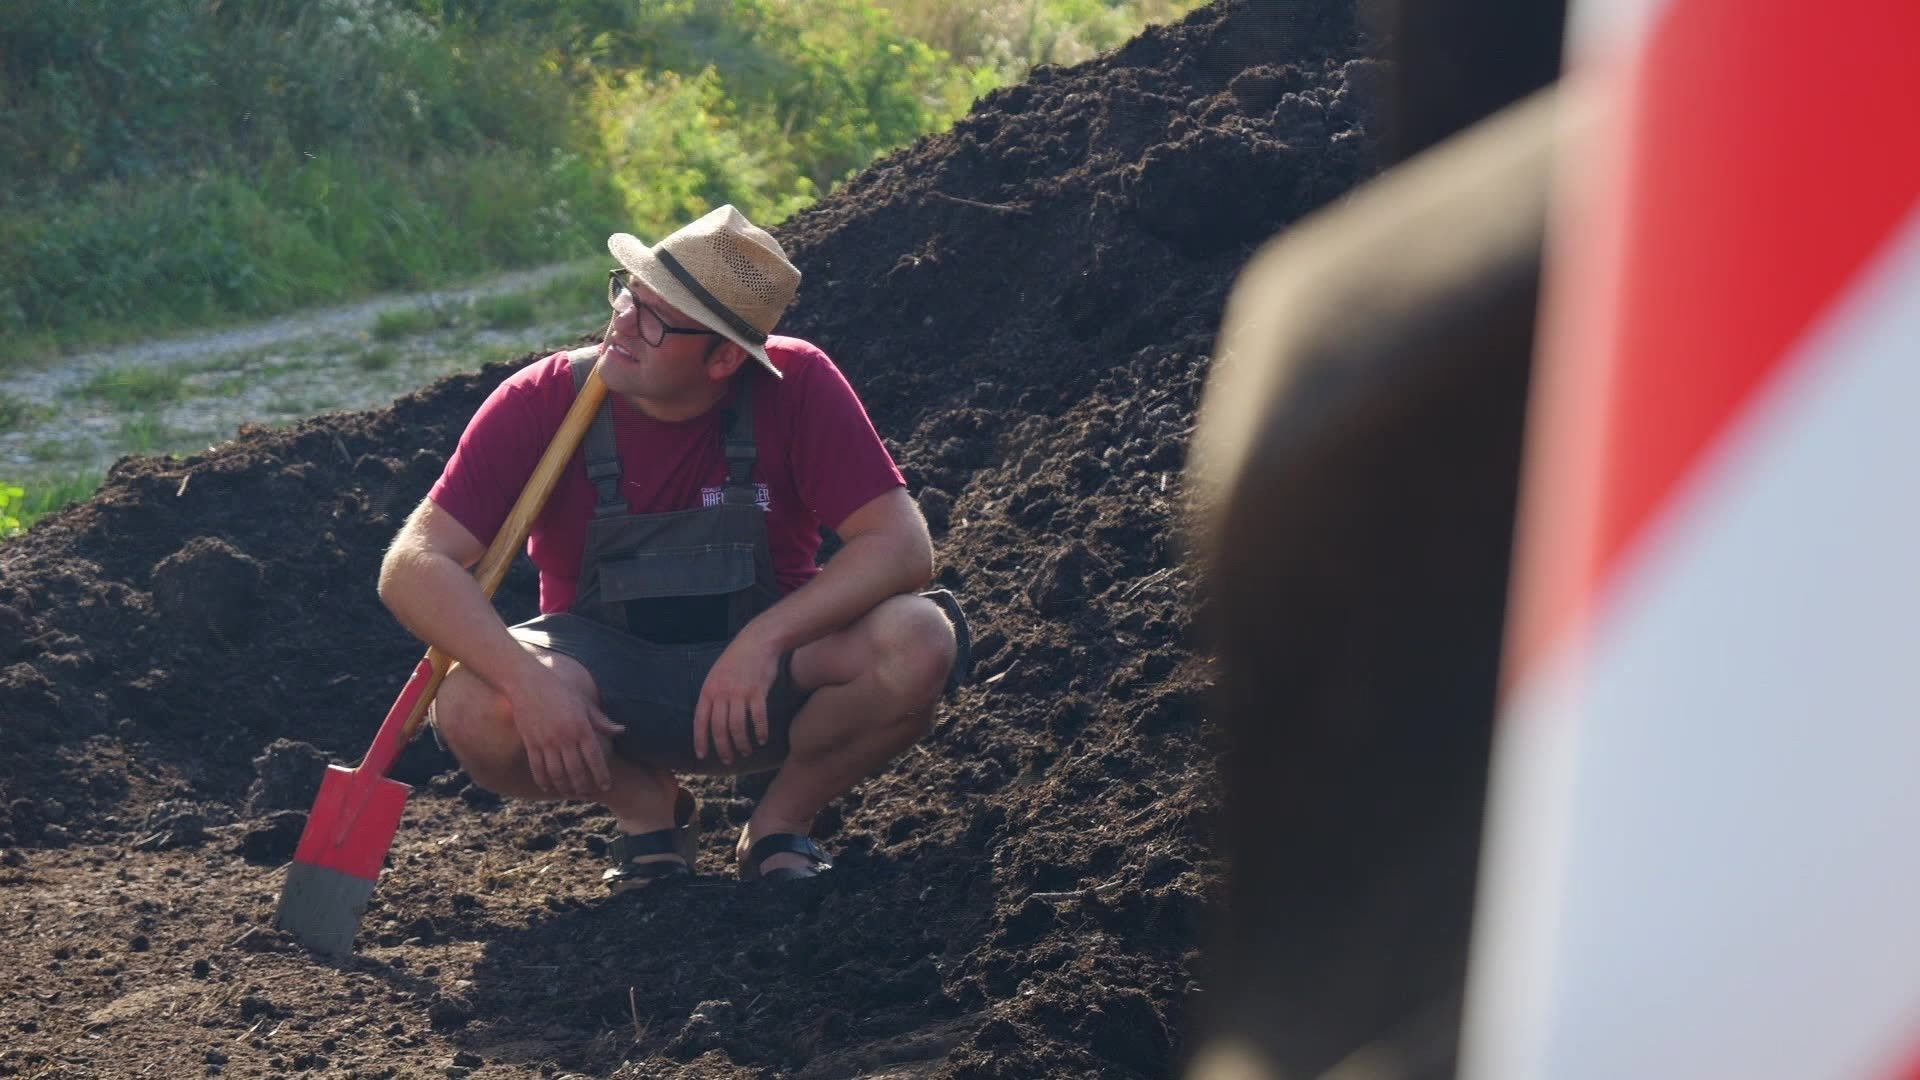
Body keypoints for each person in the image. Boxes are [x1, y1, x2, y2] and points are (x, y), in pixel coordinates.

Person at [377, 205, 967, 890]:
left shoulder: (798, 385)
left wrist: (766, 640)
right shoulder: (544, 401)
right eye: (628, 292)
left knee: (920, 637)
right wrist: (526, 680)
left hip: (769, 686)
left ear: (724, 358)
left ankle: (780, 826)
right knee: (472, 702)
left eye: (656, 318)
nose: (622, 322)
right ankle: (648, 812)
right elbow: (412, 565)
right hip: (605, 697)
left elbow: (901, 546)